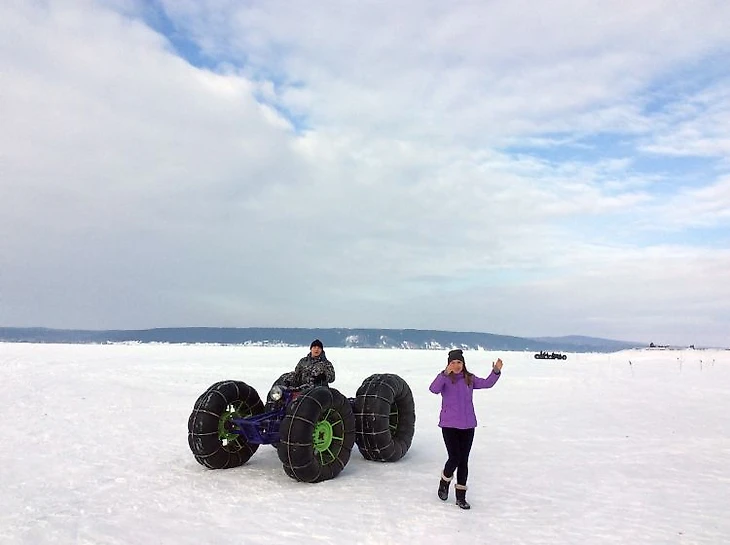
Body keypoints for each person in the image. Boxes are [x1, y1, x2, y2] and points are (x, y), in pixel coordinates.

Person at [429, 348, 503, 509]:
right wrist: (443, 374)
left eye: (459, 362)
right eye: (453, 363)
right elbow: (433, 389)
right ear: (448, 364)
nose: (456, 366)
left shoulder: (469, 379)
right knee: (454, 457)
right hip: (449, 425)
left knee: (464, 461)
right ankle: (444, 481)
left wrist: (495, 371)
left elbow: (487, 383)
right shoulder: (445, 379)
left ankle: (460, 497)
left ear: (463, 364)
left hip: (468, 425)